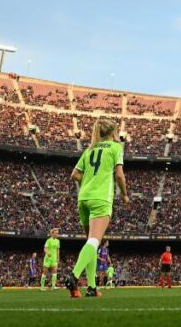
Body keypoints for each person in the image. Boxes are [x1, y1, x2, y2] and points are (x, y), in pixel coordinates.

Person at [63, 119, 129, 299]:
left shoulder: (89, 149)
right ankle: (74, 276)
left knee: (91, 242)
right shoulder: (116, 148)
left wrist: (89, 182)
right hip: (101, 198)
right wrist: (124, 195)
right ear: (113, 133)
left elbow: (74, 174)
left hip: (83, 198)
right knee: (94, 241)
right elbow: (119, 175)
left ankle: (91, 287)